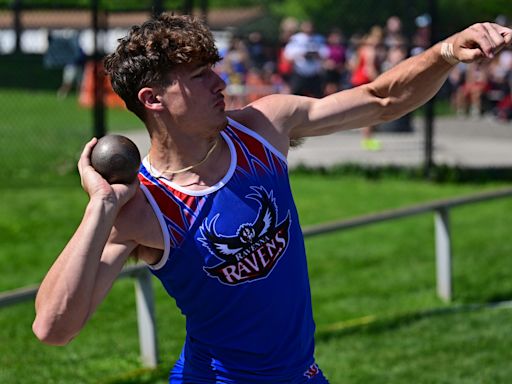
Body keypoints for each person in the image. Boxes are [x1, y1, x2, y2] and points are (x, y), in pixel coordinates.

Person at [32, 14, 511, 383]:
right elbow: (54, 328)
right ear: (153, 99)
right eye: (200, 76)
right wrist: (101, 207)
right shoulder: (146, 207)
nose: (220, 83)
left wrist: (447, 52)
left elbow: (384, 99)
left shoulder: (261, 129)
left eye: (213, 69)